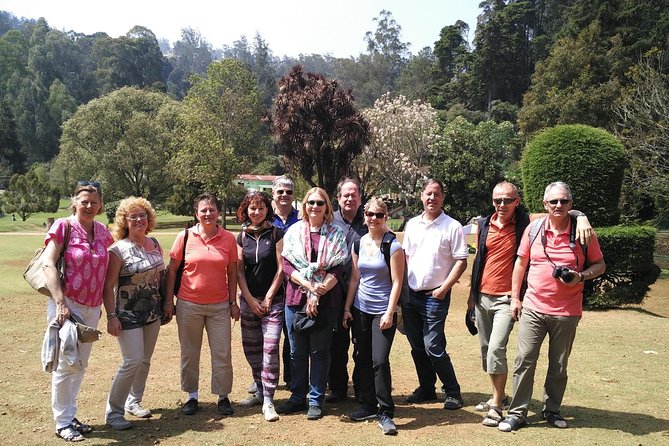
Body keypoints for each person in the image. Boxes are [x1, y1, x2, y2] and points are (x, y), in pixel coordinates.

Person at [468, 181, 593, 427]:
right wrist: (472, 297)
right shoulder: (484, 224)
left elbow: (560, 209)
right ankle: (501, 395)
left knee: (496, 349)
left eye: (508, 200)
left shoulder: (527, 223)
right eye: (497, 200)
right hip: (483, 296)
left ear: (518, 201)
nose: (502, 204)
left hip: (510, 299)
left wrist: (583, 217)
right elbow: (480, 260)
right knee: (487, 352)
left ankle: (497, 403)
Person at [499, 181, 605, 432]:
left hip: (567, 311)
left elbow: (600, 265)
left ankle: (552, 410)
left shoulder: (583, 233)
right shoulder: (534, 229)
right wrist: (515, 297)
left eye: (564, 201)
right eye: (554, 201)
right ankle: (517, 413)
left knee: (558, 365)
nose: (559, 205)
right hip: (534, 307)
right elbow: (520, 265)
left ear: (571, 204)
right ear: (545, 204)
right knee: (524, 360)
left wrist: (581, 276)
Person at [42, 181, 113, 442]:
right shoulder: (64, 226)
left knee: (80, 364)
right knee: (65, 364)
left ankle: (70, 414)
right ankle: (62, 422)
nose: (89, 205)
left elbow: (108, 272)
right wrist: (60, 302)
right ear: (74, 201)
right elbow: (49, 263)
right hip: (67, 305)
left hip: (92, 306)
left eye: (94, 201)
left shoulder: (104, 231)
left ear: (100, 204)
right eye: (84, 200)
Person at [162, 193, 239, 417]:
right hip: (188, 305)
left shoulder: (228, 239)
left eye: (211, 209)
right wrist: (169, 301)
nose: (208, 214)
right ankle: (192, 396)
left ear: (218, 212)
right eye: (203, 210)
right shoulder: (185, 236)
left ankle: (223, 396)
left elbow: (232, 272)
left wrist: (233, 302)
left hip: (219, 307)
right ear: (196, 213)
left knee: (222, 352)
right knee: (189, 352)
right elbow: (172, 270)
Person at [277, 187, 348, 420]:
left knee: (319, 352)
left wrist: (321, 289)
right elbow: (287, 265)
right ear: (305, 205)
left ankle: (316, 400)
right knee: (296, 352)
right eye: (310, 202)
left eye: (320, 203)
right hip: (296, 299)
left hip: (327, 301)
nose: (315, 207)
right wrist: (309, 287)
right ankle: (298, 397)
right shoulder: (294, 231)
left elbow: (338, 267)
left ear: (327, 206)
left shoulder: (336, 233)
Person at [401, 179, 467, 410]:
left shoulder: (452, 226)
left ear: (442, 197)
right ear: (421, 196)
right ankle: (427, 388)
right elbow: (406, 259)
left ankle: (453, 392)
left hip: (435, 296)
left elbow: (461, 261)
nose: (432, 198)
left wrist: (444, 288)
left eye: (436, 194)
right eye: (428, 194)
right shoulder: (412, 224)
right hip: (411, 295)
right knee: (417, 345)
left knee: (433, 346)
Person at [102, 197, 164, 430]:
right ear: (125, 221)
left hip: (152, 312)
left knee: (145, 360)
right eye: (133, 216)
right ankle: (114, 412)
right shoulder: (117, 250)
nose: (139, 219)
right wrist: (111, 316)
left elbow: (161, 276)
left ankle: (134, 401)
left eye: (143, 215)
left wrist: (167, 303)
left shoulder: (155, 243)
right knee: (132, 360)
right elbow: (108, 286)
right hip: (126, 314)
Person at [343, 198, 403, 435]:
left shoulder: (393, 246)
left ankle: (386, 412)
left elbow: (398, 282)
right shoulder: (359, 243)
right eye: (369, 214)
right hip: (360, 310)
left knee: (380, 360)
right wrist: (347, 308)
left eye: (379, 215)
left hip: (382, 312)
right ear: (364, 216)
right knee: (363, 357)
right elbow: (355, 279)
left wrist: (390, 312)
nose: (374, 219)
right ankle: (367, 404)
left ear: (385, 217)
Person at [235, 191, 285, 422]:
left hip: (272, 302)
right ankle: (258, 388)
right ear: (246, 211)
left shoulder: (276, 233)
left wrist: (267, 298)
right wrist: (249, 298)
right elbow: (238, 271)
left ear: (268, 210)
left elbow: (281, 268)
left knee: (270, 348)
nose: (256, 212)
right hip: (248, 301)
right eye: (252, 208)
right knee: (252, 348)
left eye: (261, 208)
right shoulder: (241, 237)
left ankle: (268, 400)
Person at [328, 178, 367, 403]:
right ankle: (338, 388)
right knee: (337, 344)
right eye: (346, 195)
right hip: (335, 291)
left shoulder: (370, 219)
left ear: (360, 198)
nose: (350, 199)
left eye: (354, 195)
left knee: (362, 343)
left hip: (363, 293)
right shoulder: (330, 220)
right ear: (339, 198)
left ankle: (362, 388)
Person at [271, 175, 299, 389]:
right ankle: (263, 378)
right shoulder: (263, 216)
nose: (284, 195)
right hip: (267, 284)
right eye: (280, 191)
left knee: (291, 334)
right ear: (274, 193)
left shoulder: (301, 219)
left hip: (294, 284)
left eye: (288, 191)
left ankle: (292, 378)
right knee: (268, 336)